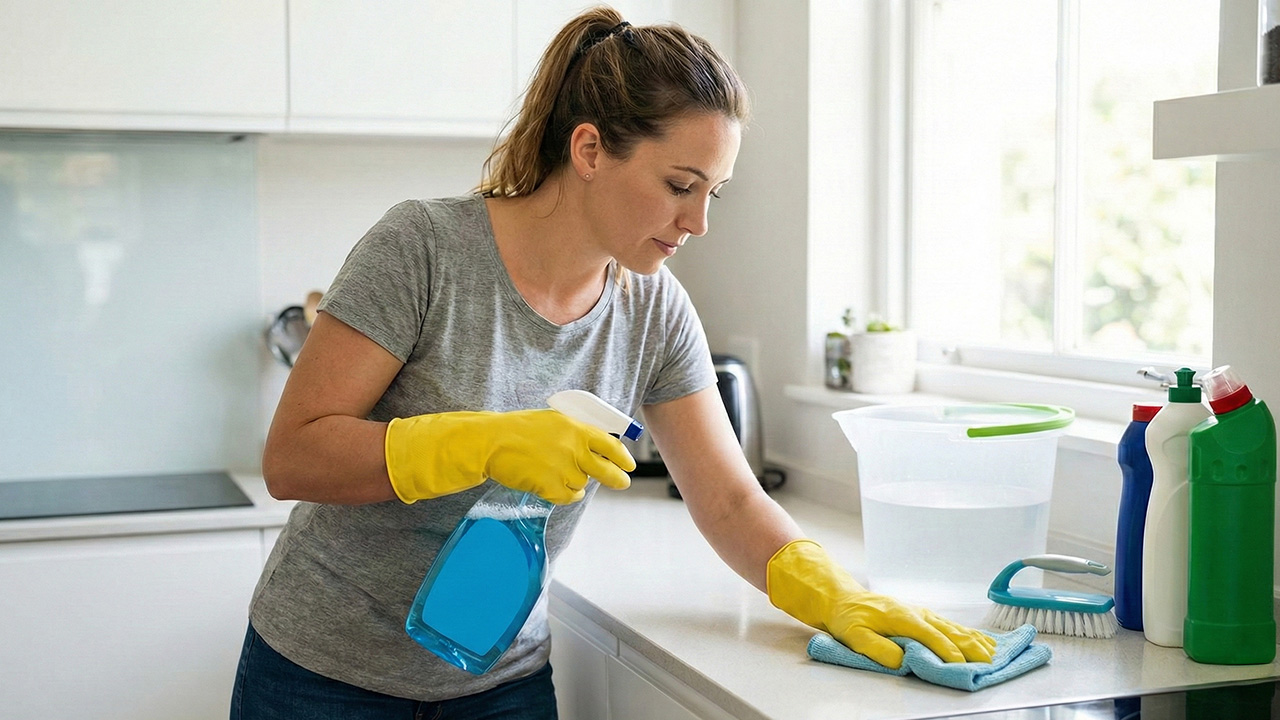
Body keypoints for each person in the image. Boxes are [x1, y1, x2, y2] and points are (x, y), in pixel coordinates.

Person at [231, 6, 996, 719]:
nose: (697, 222)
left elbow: (728, 500)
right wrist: (484, 442)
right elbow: (295, 456)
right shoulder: (425, 250)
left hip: (501, 683)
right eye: (679, 186)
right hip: (320, 678)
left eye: (714, 195)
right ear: (590, 149)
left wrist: (830, 591)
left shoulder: (653, 309)